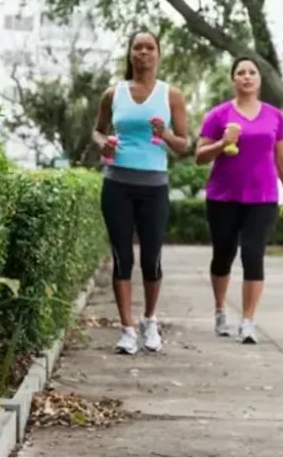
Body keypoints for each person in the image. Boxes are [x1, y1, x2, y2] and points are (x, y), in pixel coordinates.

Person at [92, 30, 189, 355]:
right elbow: (97, 131)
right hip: (116, 185)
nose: (144, 53)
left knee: (151, 259)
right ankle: (127, 329)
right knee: (122, 257)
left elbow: (183, 145)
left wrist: (167, 134)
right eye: (138, 47)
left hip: (154, 187)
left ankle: (150, 320)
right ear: (130, 53)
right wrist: (102, 143)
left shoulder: (171, 94)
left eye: (150, 48)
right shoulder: (113, 93)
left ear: (158, 54)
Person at [194, 56, 283, 344]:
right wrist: (221, 143)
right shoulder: (218, 115)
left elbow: (280, 157)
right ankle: (219, 310)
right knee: (223, 256)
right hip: (223, 197)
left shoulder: (275, 116)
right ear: (233, 80)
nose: (247, 77)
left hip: (262, 197)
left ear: (259, 79)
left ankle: (248, 321)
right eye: (241, 72)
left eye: (252, 72)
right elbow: (200, 157)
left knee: (253, 257)